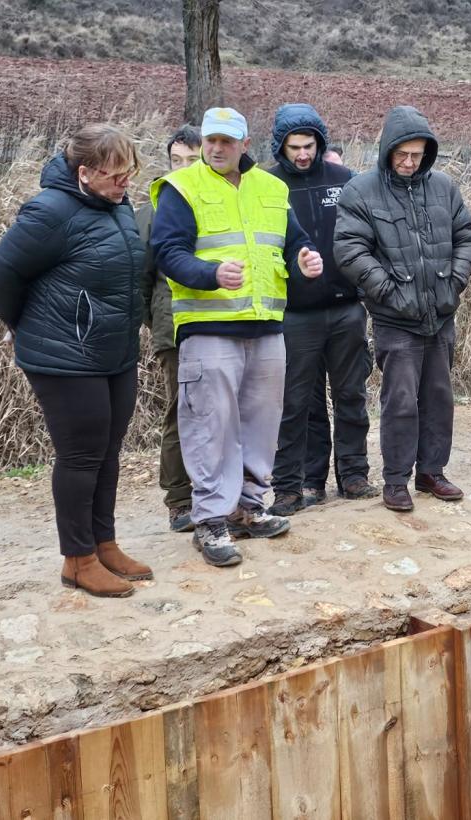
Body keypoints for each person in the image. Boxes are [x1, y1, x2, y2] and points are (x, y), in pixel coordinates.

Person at [0, 124, 152, 597]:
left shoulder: (113, 207)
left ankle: (104, 543)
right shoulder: (50, 211)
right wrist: (30, 326)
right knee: (80, 456)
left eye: (129, 173)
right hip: (64, 357)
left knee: (109, 450)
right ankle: (77, 559)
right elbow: (0, 274)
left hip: (113, 351)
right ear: (84, 172)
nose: (125, 183)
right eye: (115, 174)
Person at [150, 107, 324, 567]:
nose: (217, 148)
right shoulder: (183, 187)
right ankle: (210, 521)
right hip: (209, 329)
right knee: (211, 427)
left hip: (267, 327)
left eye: (227, 140)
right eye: (211, 140)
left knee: (261, 427)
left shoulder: (272, 187)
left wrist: (305, 258)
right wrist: (209, 274)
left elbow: (293, 240)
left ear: (245, 143)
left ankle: (249, 508)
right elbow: (167, 251)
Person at [334, 105, 471, 513]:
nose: (409, 162)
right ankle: (396, 480)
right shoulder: (361, 191)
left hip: (441, 312)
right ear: (387, 150)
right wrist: (388, 291)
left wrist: (455, 282)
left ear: (428, 154)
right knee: (399, 400)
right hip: (395, 318)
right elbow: (349, 251)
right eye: (402, 154)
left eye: (417, 155)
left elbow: (467, 237)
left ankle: (431, 471)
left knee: (439, 396)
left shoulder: (444, 188)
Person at [264, 103, 376, 516]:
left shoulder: (345, 181)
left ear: (320, 143)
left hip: (346, 308)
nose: (303, 154)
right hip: (294, 315)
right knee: (297, 404)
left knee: (351, 395)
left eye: (309, 145)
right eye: (294, 147)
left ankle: (354, 474)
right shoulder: (266, 186)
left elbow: (368, 238)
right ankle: (298, 485)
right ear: (280, 146)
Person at [137, 124, 201, 533]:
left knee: (222, 412)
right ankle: (179, 501)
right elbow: (140, 279)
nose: (180, 168)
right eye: (175, 160)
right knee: (181, 412)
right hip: (173, 326)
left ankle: (223, 494)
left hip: (219, 320)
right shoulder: (151, 210)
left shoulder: (217, 200)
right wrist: (159, 320)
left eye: (190, 161)